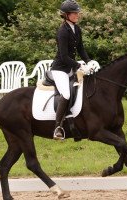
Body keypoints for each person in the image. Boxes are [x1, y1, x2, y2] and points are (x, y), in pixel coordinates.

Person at [51, 0, 91, 140]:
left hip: (71, 67)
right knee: (67, 94)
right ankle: (58, 127)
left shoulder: (76, 29)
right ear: (66, 15)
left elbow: (81, 49)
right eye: (74, 13)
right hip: (60, 69)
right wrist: (79, 66)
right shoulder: (63, 31)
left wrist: (89, 61)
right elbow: (63, 56)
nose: (77, 15)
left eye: (77, 13)